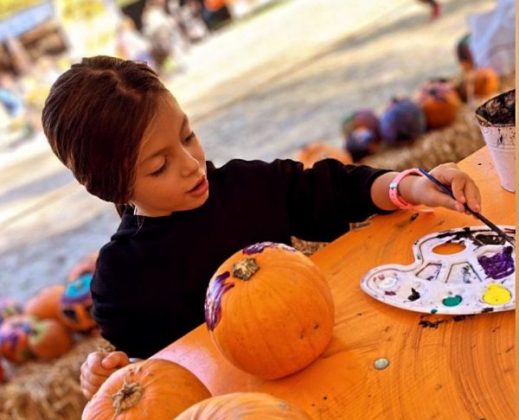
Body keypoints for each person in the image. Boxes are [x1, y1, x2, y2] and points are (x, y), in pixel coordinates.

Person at [41, 56, 481, 399]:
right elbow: (148, 378)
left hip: (330, 361)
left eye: (188, 136)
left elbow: (335, 190)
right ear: (111, 186)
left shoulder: (246, 185)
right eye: (159, 166)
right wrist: (105, 376)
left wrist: (412, 185)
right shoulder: (121, 282)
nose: (192, 164)